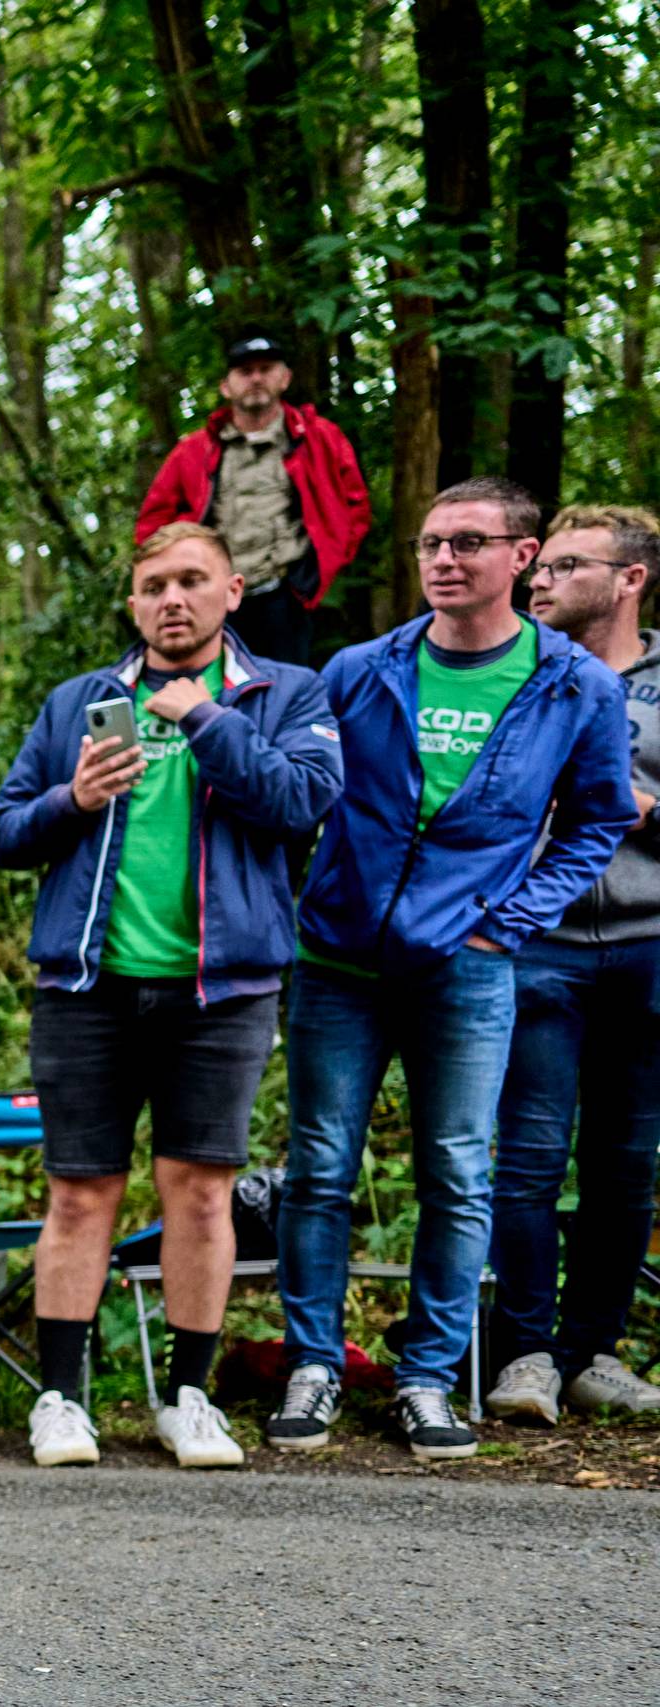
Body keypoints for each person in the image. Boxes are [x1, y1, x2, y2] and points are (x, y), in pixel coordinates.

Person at [272, 478, 637, 1461]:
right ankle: (312, 1363)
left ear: (520, 557)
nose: (441, 560)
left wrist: (508, 921)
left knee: (456, 1170)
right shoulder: (359, 668)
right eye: (429, 543)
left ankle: (427, 1376)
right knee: (317, 1166)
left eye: (466, 542)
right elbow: (299, 788)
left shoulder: (572, 685)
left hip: (467, 966)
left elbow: (598, 817)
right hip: (337, 960)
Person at [0, 523, 343, 1469]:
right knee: (78, 1194)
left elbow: (304, 800)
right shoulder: (81, 703)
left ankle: (189, 1397)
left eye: (191, 581)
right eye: (153, 585)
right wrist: (74, 800)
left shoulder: (283, 693)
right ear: (134, 602)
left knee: (198, 1193)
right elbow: (5, 831)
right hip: (87, 984)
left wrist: (206, 719)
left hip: (222, 989)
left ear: (232, 591)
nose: (171, 599)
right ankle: (61, 1399)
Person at [482, 503, 660, 1422]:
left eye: (564, 565)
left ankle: (594, 1348)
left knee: (627, 1161)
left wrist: (642, 807)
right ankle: (524, 1355)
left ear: (629, 578)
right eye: (537, 564)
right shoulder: (516, 670)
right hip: (538, 945)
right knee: (529, 1156)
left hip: (647, 945)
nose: (537, 579)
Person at [135, 333, 373, 665]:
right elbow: (152, 525)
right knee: (212, 693)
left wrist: (323, 568)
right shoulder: (193, 450)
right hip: (212, 599)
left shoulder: (319, 437)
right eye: (245, 372)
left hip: (289, 594)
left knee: (286, 691)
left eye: (266, 368)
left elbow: (355, 507)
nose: (256, 378)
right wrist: (178, 578)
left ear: (285, 378)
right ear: (226, 386)